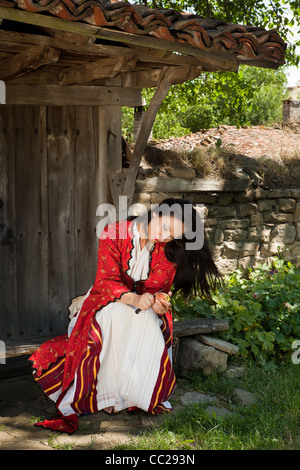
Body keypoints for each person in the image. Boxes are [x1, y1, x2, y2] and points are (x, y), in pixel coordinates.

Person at [30, 198, 221, 434]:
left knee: (148, 319)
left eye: (172, 236)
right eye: (165, 228)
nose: (165, 237)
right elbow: (106, 282)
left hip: (141, 304)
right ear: (156, 213)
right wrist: (136, 299)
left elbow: (157, 286)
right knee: (118, 316)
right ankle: (108, 395)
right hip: (105, 299)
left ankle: (132, 393)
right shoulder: (114, 232)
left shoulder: (166, 249)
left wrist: (159, 301)